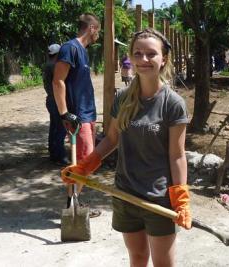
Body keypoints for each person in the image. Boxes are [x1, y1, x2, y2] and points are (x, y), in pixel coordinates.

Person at [61, 28, 191, 266]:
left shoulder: (173, 104)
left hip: (159, 198)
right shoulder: (122, 98)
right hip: (125, 194)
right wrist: (85, 167)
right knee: (138, 258)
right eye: (138, 53)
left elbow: (177, 155)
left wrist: (180, 197)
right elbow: (111, 139)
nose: (143, 60)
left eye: (151, 54)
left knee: (164, 263)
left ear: (164, 59)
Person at [52, 13, 101, 209]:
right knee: (86, 159)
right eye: (98, 30)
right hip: (77, 115)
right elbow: (58, 81)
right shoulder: (70, 48)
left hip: (88, 113)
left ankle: (74, 202)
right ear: (91, 28)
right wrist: (65, 113)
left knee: (87, 160)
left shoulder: (83, 51)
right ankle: (72, 205)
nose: (98, 34)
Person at [43, 44, 69, 166]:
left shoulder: (48, 65)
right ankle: (60, 156)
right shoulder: (54, 66)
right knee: (61, 128)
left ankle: (53, 153)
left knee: (54, 127)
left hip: (50, 100)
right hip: (55, 100)